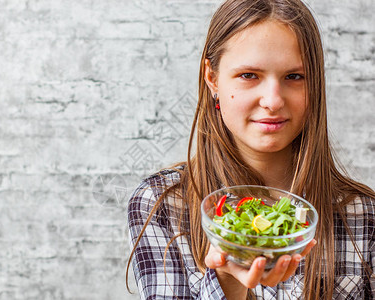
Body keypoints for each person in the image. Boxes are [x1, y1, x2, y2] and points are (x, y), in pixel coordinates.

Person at [126, 0, 375, 299]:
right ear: (212, 77)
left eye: (294, 77)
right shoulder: (161, 204)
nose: (273, 100)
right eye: (249, 75)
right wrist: (227, 283)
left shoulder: (364, 215)